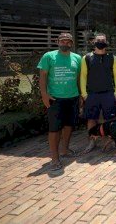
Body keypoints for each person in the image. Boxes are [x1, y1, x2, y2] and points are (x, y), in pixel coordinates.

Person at [37, 32, 81, 171]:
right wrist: (44, 95)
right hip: (55, 99)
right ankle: (54, 158)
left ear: (72, 44)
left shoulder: (77, 58)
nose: (65, 43)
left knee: (69, 125)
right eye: (62, 41)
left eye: (68, 41)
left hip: (73, 97)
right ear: (58, 42)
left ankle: (65, 150)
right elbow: (43, 76)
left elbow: (78, 78)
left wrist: (80, 96)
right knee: (54, 129)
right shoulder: (49, 56)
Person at [80, 33, 116, 154]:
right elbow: (83, 77)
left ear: (106, 42)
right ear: (94, 42)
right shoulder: (86, 58)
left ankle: (112, 140)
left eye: (103, 40)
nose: (100, 42)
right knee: (91, 119)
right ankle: (92, 141)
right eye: (98, 40)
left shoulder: (113, 58)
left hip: (108, 93)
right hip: (92, 94)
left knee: (111, 119)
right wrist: (84, 94)